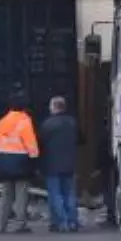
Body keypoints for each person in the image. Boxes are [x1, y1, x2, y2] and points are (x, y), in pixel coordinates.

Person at [0, 91, 38, 234]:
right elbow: (30, 143)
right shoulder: (25, 120)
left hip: (3, 161)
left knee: (6, 194)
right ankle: (20, 224)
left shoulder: (3, 120)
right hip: (20, 161)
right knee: (21, 193)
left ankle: (0, 225)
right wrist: (34, 158)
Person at [39, 95, 79, 232]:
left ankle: (60, 222)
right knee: (69, 194)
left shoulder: (47, 125)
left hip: (52, 164)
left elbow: (40, 144)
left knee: (55, 194)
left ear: (54, 107)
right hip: (70, 163)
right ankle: (73, 221)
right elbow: (81, 138)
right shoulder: (72, 122)